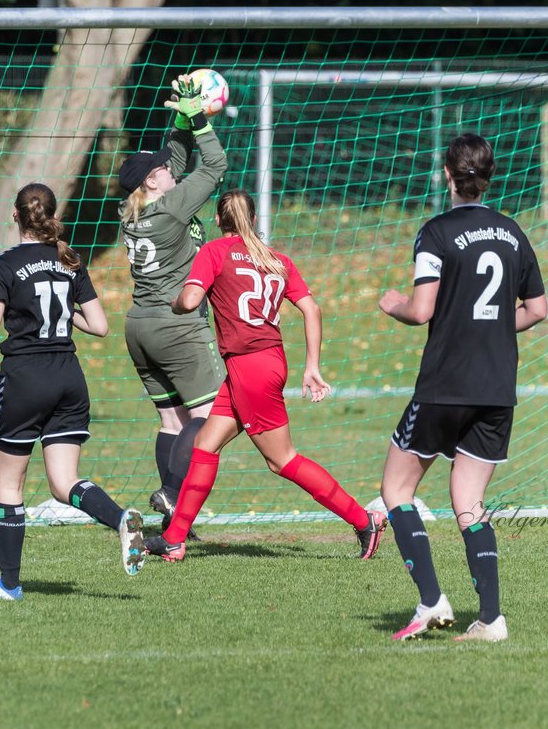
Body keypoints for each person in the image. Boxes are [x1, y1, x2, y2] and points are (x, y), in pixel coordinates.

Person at [143, 189, 387, 562]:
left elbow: (189, 301)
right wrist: (312, 367)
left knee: (282, 460)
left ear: (220, 222)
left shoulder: (214, 252)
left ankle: (363, 520)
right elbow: (312, 309)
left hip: (250, 367)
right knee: (205, 446)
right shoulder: (276, 260)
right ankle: (175, 538)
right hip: (262, 362)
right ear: (253, 220)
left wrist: (176, 301)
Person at [378, 133, 546, 644]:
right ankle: (490, 619)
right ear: (489, 177)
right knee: (468, 503)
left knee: (396, 490)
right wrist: (493, 326)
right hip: (497, 388)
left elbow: (423, 309)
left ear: (447, 175)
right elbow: (537, 310)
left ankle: (431, 600)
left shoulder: (436, 232)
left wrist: (392, 304)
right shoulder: (515, 234)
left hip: (445, 384)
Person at [0, 183, 146, 601]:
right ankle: (119, 519)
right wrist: (65, 314)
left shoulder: (4, 265)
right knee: (64, 484)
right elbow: (99, 325)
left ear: (15, 216)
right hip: (69, 378)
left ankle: (9, 585)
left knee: (10, 485)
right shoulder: (69, 260)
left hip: (26, 378)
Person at [118, 73, 228, 535]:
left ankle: (171, 514)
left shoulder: (139, 210)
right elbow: (214, 165)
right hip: (176, 324)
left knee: (171, 420)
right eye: (162, 168)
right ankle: (174, 492)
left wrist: (180, 118)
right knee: (210, 414)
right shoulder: (173, 208)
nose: (171, 168)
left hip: (139, 326)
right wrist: (201, 123)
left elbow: (177, 160)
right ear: (153, 180)